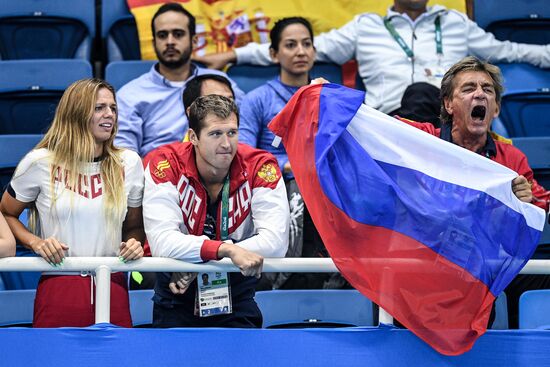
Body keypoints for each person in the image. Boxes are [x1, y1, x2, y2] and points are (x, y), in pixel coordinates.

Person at [197, 0, 550, 122]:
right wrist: (233, 53)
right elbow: (301, 48)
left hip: (448, 123)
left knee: (434, 95)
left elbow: (507, 50)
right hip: (389, 124)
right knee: (414, 94)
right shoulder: (366, 27)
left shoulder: (454, 22)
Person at [400, 56, 550, 328]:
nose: (480, 93)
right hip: (427, 265)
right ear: (448, 104)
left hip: (485, 269)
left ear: (495, 108)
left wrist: (527, 204)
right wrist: (333, 98)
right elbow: (376, 128)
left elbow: (541, 202)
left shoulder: (512, 159)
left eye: (487, 89)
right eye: (468, 88)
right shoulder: (422, 141)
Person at [0, 78, 145, 328]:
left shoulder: (129, 163)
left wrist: (135, 243)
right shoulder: (39, 162)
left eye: (113, 108)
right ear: (76, 112)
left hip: (112, 283)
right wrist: (36, 242)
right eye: (99, 107)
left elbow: (134, 226)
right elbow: (6, 213)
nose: (109, 114)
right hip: (59, 284)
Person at [143, 94, 289, 327]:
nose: (226, 144)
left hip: (236, 293)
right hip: (176, 294)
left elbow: (276, 242)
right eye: (215, 134)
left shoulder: (260, 165)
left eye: (232, 132)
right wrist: (224, 251)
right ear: (193, 137)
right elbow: (162, 241)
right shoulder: (165, 163)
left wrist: (199, 260)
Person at [238, 17, 347, 290]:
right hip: (279, 184)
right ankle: (292, 277)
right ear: (274, 53)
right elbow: (245, 155)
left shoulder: (330, 96)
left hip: (325, 182)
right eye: (290, 45)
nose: (300, 51)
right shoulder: (258, 99)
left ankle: (341, 274)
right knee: (300, 185)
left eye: (306, 44)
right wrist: (291, 166)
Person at [115, 2, 244, 157]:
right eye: (162, 35)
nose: (170, 41)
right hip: (156, 175)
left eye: (178, 34)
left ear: (194, 41)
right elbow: (124, 156)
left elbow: (244, 132)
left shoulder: (219, 83)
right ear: (154, 42)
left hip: (218, 173)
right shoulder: (130, 95)